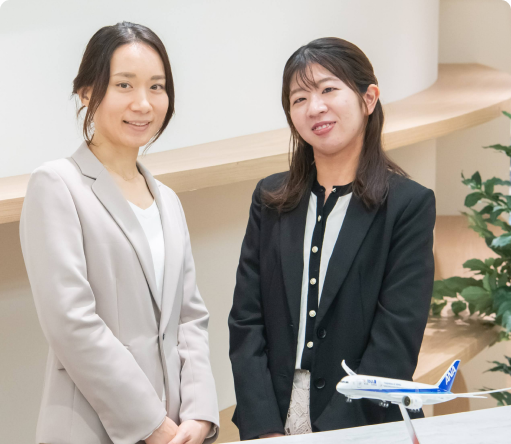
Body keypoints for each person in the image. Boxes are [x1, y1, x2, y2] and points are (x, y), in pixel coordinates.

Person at [20, 22, 218, 444]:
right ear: (87, 92)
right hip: (92, 428)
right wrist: (151, 424)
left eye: (156, 86)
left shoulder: (167, 200)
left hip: (176, 429)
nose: (143, 103)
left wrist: (199, 413)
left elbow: (189, 318)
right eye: (124, 84)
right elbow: (72, 324)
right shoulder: (56, 185)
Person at [228, 37, 435, 440]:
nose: (315, 107)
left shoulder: (408, 205)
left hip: (363, 423)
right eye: (299, 98)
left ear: (368, 98)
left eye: (328, 89)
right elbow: (246, 321)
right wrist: (264, 427)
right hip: (273, 421)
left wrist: (332, 435)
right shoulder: (270, 199)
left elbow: (394, 343)